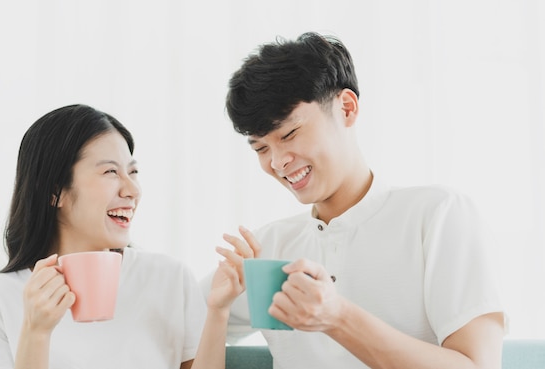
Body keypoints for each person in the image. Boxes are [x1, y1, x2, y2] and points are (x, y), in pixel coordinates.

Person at [207, 32, 506, 369]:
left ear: (346, 108)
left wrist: (337, 317)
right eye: (261, 148)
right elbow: (171, 316)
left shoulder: (437, 215)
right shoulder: (269, 247)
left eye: (289, 134)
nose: (277, 162)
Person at [0, 104, 243, 369]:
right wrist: (35, 333)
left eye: (133, 171)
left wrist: (218, 312)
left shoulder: (168, 278)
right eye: (111, 172)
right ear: (54, 191)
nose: (132, 190)